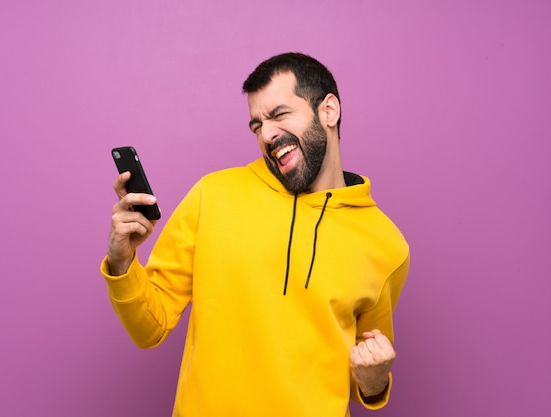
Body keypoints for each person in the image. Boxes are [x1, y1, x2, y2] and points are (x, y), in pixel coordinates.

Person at [101, 52, 409, 417]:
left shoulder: (387, 245)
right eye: (256, 125)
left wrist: (375, 382)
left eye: (278, 115)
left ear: (329, 111)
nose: (266, 135)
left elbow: (365, 369)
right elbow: (148, 328)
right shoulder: (213, 194)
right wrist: (121, 262)